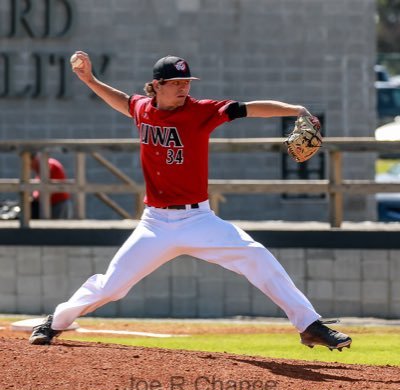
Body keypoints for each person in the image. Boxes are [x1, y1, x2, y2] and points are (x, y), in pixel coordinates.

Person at [29, 52, 352, 351]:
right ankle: (55, 322)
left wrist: (295, 110)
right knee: (111, 286)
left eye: (187, 82)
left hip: (199, 220)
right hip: (155, 223)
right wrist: (89, 79)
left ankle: (310, 324)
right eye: (177, 83)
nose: (184, 88)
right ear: (157, 86)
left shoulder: (201, 111)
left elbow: (249, 108)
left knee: (256, 256)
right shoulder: (142, 108)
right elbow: (124, 101)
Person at [30, 153, 73, 219]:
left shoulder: (49, 165)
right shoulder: (39, 168)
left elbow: (46, 187)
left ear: (33, 160)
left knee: (58, 227)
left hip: (58, 203)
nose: (29, 167)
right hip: (50, 204)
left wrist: (35, 197)